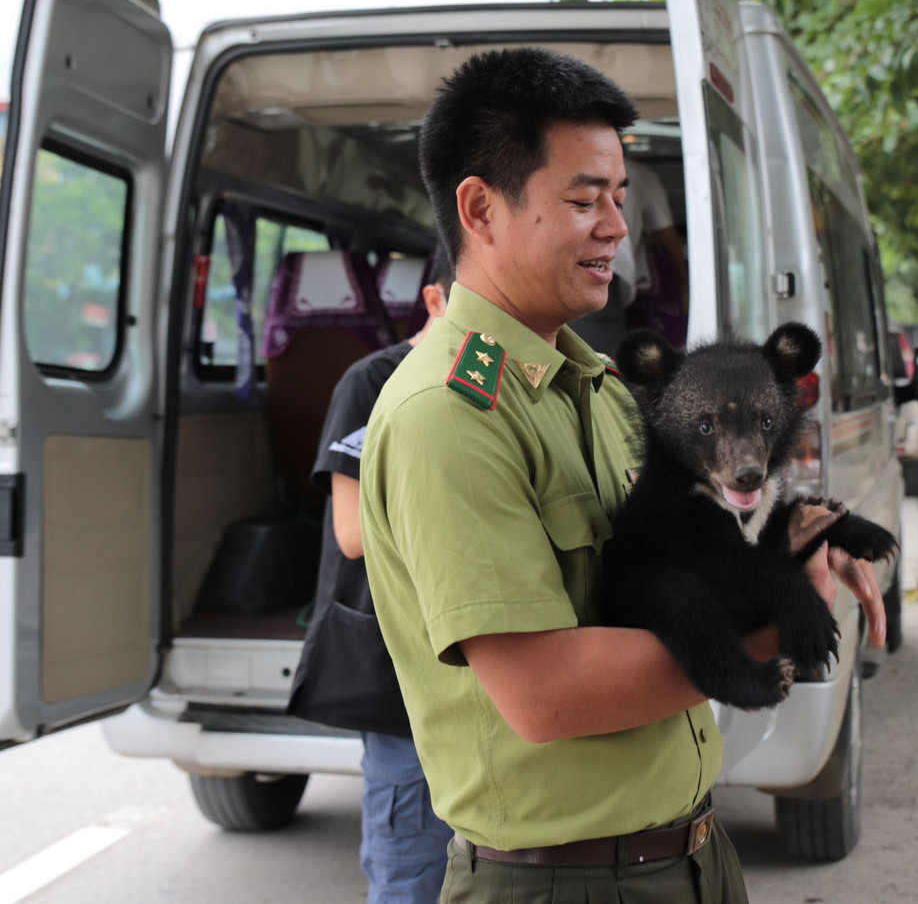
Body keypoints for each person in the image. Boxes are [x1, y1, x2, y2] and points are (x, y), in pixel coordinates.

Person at [358, 47, 886, 903]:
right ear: (481, 208)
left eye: (617, 196)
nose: (615, 226)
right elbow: (546, 695)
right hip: (564, 883)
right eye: (582, 199)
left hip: (685, 855)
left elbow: (686, 550)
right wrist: (777, 621)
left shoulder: (598, 390)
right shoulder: (449, 417)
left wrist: (797, 546)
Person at [286, 252, 454, 904]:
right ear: (435, 300)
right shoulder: (372, 380)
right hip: (396, 669)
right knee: (410, 858)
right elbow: (352, 534)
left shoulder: (487, 382)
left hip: (471, 661)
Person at [569, 156, 685, 354]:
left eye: (619, 203)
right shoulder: (641, 174)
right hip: (599, 269)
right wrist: (683, 282)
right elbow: (667, 236)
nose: (620, 228)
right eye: (585, 202)